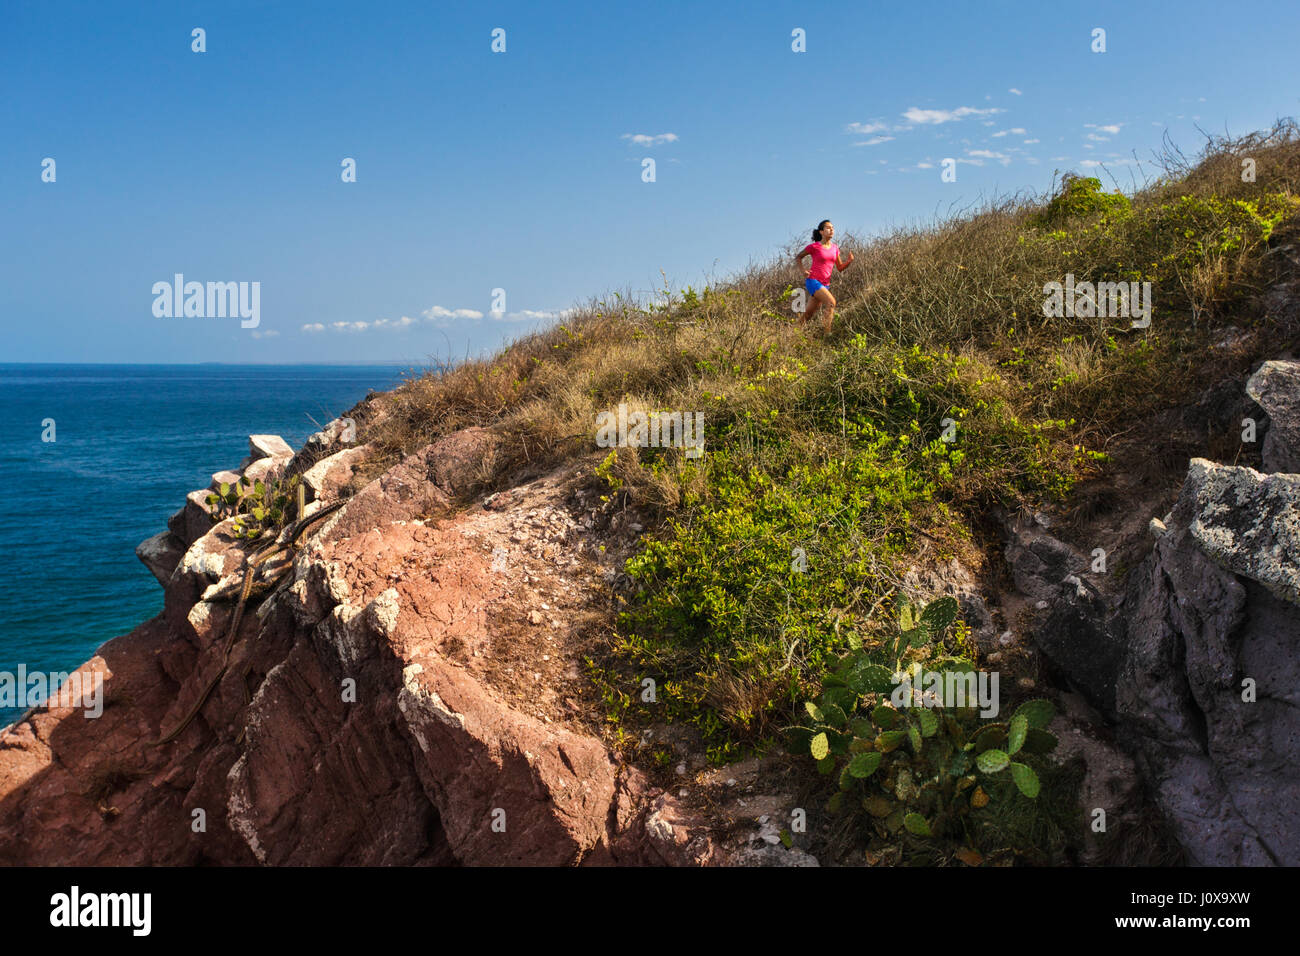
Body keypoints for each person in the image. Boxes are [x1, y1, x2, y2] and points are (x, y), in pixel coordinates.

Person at [796, 219, 854, 334]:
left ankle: (792, 332)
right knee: (831, 303)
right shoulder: (814, 247)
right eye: (828, 227)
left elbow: (840, 267)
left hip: (825, 284)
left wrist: (849, 261)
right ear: (821, 232)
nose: (831, 229)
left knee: (809, 313)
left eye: (832, 228)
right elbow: (798, 257)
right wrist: (803, 271)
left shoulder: (835, 248)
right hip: (813, 281)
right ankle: (827, 334)